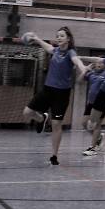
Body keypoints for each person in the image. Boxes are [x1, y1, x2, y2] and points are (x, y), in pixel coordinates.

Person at [22, 27, 87, 166]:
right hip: (48, 90)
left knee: (56, 124)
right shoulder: (55, 50)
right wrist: (36, 38)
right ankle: (42, 119)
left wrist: (83, 69)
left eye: (62, 36)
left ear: (68, 39)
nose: (59, 38)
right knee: (27, 112)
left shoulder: (71, 52)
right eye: (57, 36)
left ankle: (54, 155)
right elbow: (47, 46)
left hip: (62, 94)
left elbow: (77, 61)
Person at [81, 60, 105, 154]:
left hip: (101, 102)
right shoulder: (91, 73)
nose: (99, 64)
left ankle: (92, 148)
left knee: (96, 124)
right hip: (91, 102)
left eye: (101, 63)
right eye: (98, 62)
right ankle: (99, 137)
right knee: (84, 123)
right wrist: (86, 69)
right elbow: (80, 80)